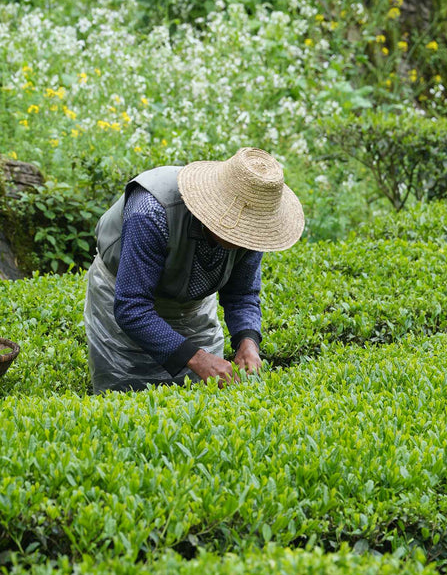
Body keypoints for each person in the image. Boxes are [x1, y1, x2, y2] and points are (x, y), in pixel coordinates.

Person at [84, 147, 304, 394]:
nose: (245, 240)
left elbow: (242, 295)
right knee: (123, 395)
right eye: (241, 229)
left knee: (204, 399)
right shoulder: (152, 211)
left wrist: (248, 341)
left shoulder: (254, 229)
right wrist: (198, 359)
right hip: (123, 300)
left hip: (192, 307)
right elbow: (132, 306)